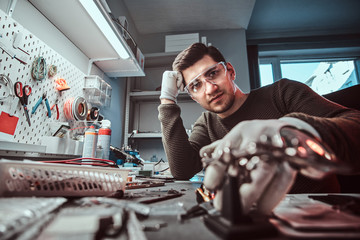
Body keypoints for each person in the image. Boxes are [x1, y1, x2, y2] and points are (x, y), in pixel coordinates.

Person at [158, 43, 360, 214]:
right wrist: (167, 100)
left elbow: (354, 122)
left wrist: (291, 130)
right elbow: (182, 170)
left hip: (316, 214)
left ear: (230, 71)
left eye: (213, 73)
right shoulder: (207, 122)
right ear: (193, 97)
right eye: (196, 86)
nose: (210, 88)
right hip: (253, 218)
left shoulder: (282, 93)